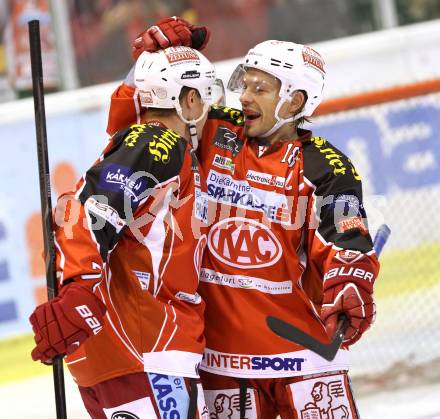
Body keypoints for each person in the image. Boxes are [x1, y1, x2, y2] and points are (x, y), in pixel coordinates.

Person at [107, 18, 380, 419]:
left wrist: (352, 285)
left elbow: (346, 240)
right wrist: (148, 66)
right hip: (223, 369)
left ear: (295, 101)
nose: (245, 98)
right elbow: (137, 135)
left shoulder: (326, 166)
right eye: (244, 84)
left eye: (261, 88)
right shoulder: (212, 130)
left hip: (305, 362)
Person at [28, 45, 218, 419]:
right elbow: (89, 210)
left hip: (125, 355)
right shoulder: (157, 143)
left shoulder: (141, 143)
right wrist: (80, 284)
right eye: (208, 96)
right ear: (190, 99)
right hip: (145, 351)